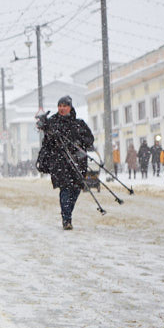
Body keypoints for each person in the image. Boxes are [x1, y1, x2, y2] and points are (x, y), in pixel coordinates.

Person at [36, 96, 94, 229]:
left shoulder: (79, 123)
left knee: (75, 189)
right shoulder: (53, 122)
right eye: (59, 106)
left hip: (78, 162)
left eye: (64, 106)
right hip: (59, 162)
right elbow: (45, 137)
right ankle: (66, 219)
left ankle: (67, 213)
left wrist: (81, 146)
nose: (62, 108)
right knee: (65, 188)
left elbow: (89, 139)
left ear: (70, 107)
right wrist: (43, 125)